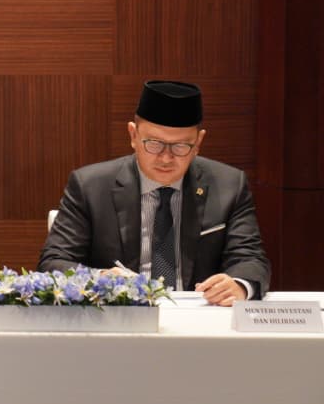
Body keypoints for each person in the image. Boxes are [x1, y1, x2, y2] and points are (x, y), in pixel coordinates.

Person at [39, 80, 270, 304]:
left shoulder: (229, 185)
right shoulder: (90, 186)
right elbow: (53, 262)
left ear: (198, 143)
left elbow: (250, 259)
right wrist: (101, 279)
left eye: (181, 146)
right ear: (133, 135)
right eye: (154, 144)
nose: (166, 158)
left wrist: (239, 285)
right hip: (122, 316)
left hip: (199, 314)